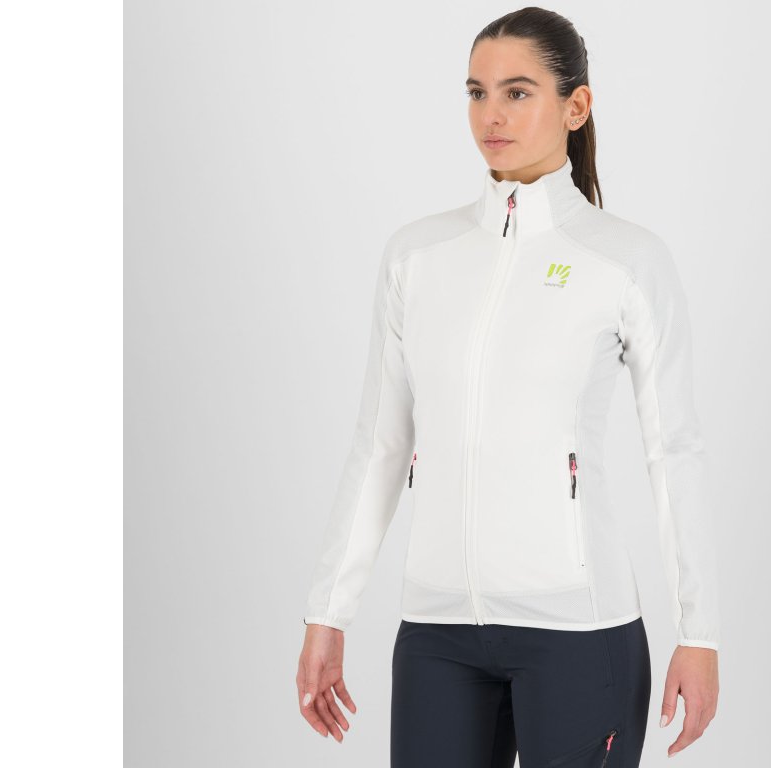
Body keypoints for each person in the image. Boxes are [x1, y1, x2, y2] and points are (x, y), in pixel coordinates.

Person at [296, 7, 720, 766]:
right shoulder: (418, 256)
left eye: (518, 92)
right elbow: (381, 445)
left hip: (580, 633)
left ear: (576, 105)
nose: (490, 114)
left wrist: (700, 631)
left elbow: (675, 451)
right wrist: (328, 612)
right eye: (476, 92)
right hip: (436, 635)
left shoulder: (625, 261)